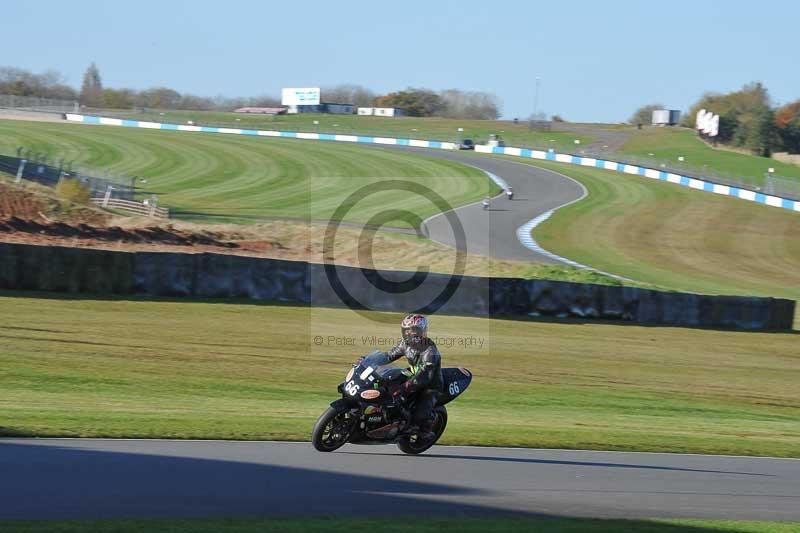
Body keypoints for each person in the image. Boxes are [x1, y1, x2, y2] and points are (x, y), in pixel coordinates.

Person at [384, 314, 442, 442]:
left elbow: (426, 374)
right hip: (413, 375)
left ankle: (426, 429)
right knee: (387, 381)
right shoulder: (404, 344)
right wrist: (369, 360)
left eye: (414, 330)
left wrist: (406, 386)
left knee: (420, 412)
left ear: (422, 331)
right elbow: (389, 355)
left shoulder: (430, 350)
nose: (410, 333)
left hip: (430, 384)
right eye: (407, 330)